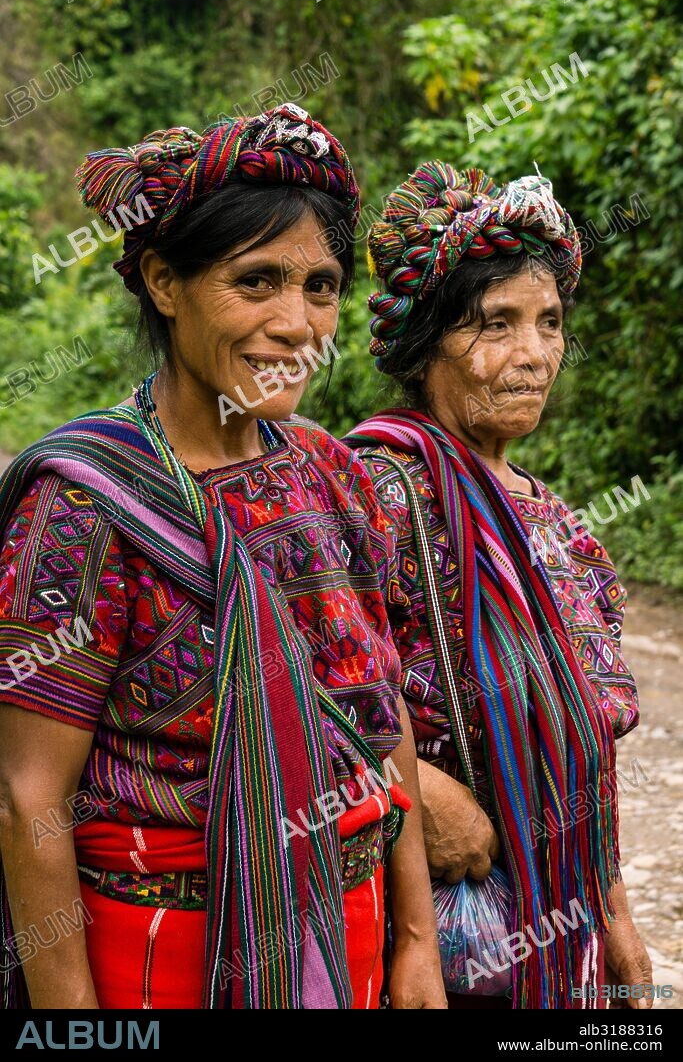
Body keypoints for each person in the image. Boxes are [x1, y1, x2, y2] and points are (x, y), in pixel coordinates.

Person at [0, 105, 445, 1010]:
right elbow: (27, 798)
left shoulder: (332, 473)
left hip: (345, 934)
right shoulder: (85, 503)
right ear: (165, 282)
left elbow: (380, 709)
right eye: (257, 281)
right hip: (161, 957)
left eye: (320, 286)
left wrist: (415, 942)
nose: (296, 322)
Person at [346, 162, 651, 1009]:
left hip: (556, 922)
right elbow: (287, 694)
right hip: (411, 926)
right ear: (425, 341)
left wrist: (616, 917)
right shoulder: (366, 492)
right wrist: (418, 793)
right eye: (496, 324)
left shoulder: (558, 523)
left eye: (548, 323)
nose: (532, 355)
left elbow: (585, 744)